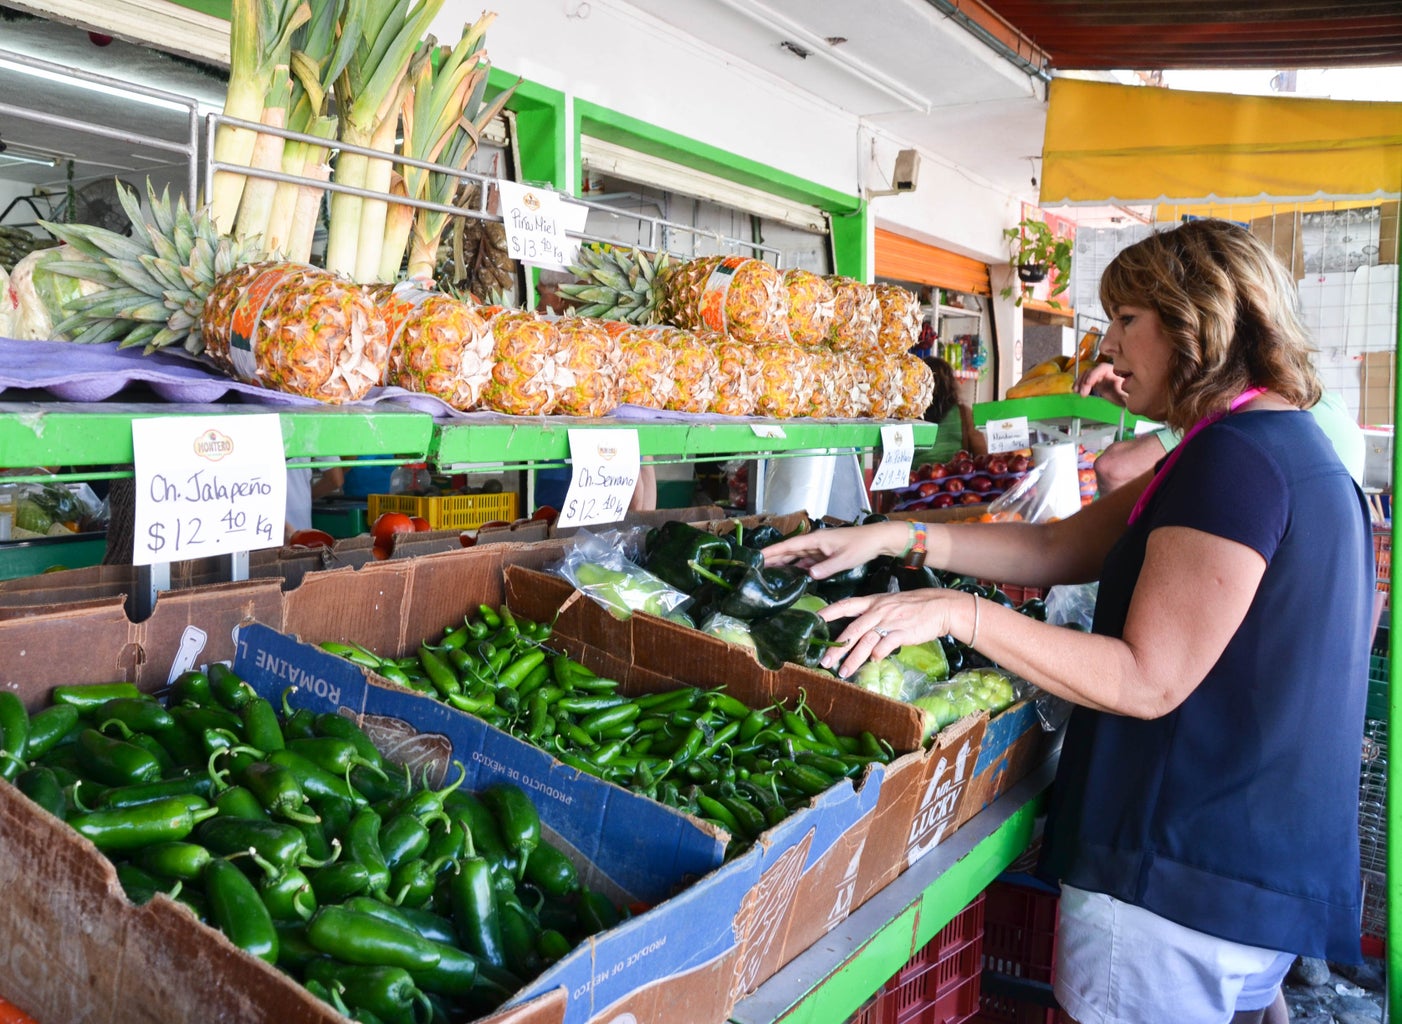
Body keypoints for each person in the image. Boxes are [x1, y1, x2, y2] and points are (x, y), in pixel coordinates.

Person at [763, 219, 1372, 1024]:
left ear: (1196, 322)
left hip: (1176, 878)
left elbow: (1145, 679)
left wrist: (957, 611)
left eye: (1126, 320)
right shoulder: (1273, 447)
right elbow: (1058, 547)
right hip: (1243, 870)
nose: (1106, 347)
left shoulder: (1236, 464)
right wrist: (898, 536)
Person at [1077, 360, 1365, 492]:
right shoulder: (1322, 405)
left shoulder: (1243, 422)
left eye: (1129, 319)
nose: (1110, 343)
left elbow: (1116, 469)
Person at [921, 356, 988, 464]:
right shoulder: (964, 414)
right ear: (950, 384)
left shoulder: (907, 416)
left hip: (915, 477)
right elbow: (982, 455)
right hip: (953, 477)